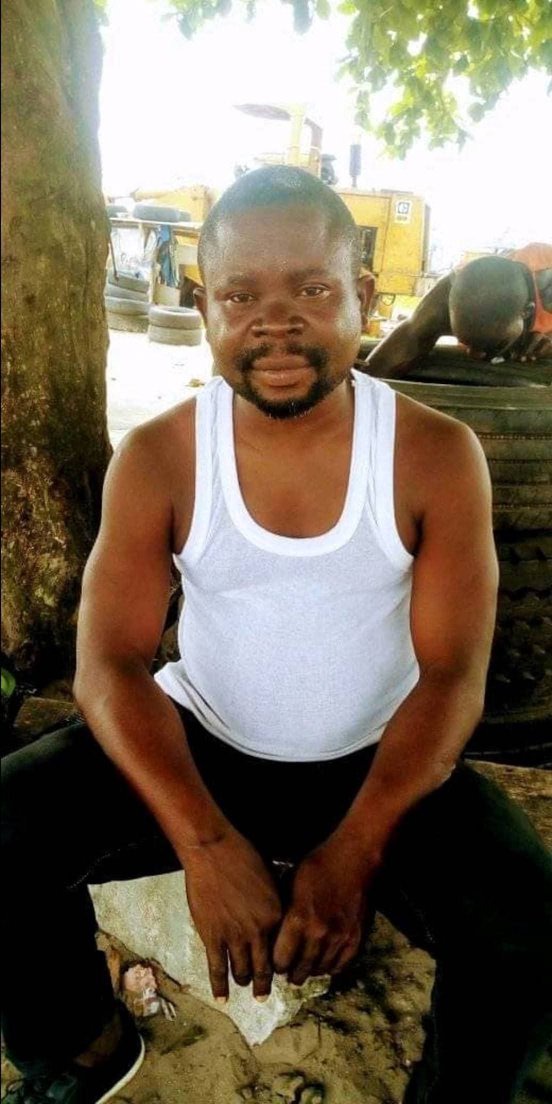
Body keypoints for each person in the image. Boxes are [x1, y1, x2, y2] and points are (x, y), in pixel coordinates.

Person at [2, 168, 551, 1104]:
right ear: (202, 306)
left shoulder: (433, 455)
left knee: (526, 932)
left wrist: (355, 849)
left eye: (312, 289)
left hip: (383, 759)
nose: (276, 324)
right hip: (202, 744)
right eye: (240, 296)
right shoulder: (161, 456)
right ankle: (80, 1047)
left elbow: (453, 673)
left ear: (363, 296)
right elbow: (109, 665)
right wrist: (207, 849)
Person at [365, 242, 552, 379]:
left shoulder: (547, 285)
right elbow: (378, 370)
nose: (474, 355)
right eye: (468, 342)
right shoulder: (442, 302)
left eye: (490, 345)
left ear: (527, 312)